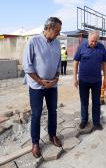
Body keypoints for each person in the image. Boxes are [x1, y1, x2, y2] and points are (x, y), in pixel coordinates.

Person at [23, 17, 62, 158]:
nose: (58, 34)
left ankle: (52, 135)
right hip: (36, 87)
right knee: (36, 114)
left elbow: (58, 63)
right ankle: (35, 143)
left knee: (53, 111)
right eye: (57, 31)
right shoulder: (33, 42)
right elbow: (27, 66)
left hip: (52, 85)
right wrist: (41, 81)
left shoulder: (57, 43)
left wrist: (56, 78)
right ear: (49, 28)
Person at [73, 30, 106, 131]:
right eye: (92, 41)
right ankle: (84, 120)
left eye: (96, 41)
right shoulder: (82, 47)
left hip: (97, 81)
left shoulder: (101, 47)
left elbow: (104, 64)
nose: (94, 43)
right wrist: (75, 77)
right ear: (88, 39)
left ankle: (96, 122)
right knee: (84, 102)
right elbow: (75, 62)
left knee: (96, 102)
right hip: (83, 80)